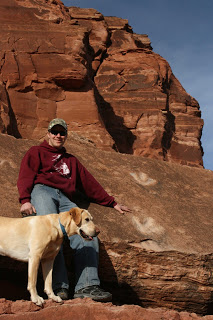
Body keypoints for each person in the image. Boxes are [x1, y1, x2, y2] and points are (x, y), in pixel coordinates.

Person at [17, 118, 130, 302]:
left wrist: (112, 203)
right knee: (52, 235)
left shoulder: (71, 161)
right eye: (55, 132)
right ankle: (58, 287)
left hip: (66, 198)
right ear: (48, 134)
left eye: (62, 133)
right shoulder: (36, 152)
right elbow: (25, 175)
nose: (58, 136)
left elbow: (89, 184)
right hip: (42, 191)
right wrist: (25, 200)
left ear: (66, 136)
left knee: (87, 233)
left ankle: (87, 286)